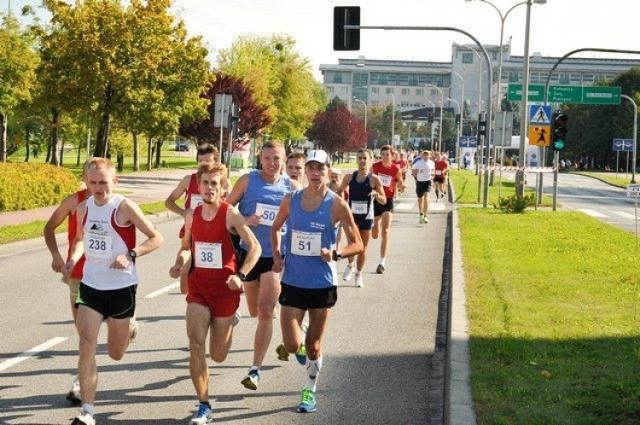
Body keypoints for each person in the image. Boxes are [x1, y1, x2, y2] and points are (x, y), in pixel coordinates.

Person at [63, 157, 163, 425]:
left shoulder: (125, 207)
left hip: (121, 286)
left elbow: (157, 238)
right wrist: (73, 258)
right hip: (91, 285)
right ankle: (87, 411)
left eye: (103, 183)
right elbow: (79, 240)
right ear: (86, 181)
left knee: (115, 353)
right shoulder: (83, 208)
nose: (98, 188)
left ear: (114, 182)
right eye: (93, 182)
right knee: (87, 345)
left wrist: (131, 254)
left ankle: (129, 326)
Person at [270, 149, 363, 413]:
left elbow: (357, 244)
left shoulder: (336, 204)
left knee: (313, 346)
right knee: (290, 344)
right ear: (305, 170)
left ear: (327, 171)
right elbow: (276, 228)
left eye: (319, 168)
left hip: (322, 283)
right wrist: (277, 255)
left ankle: (309, 390)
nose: (314, 173)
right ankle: (301, 338)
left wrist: (335, 253)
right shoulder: (291, 199)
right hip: (293, 281)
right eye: (310, 168)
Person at [168, 162, 261, 425]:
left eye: (215, 184)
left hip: (225, 291)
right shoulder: (191, 215)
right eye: (205, 183)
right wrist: (179, 263)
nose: (209, 188)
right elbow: (187, 246)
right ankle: (203, 405)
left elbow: (254, 247)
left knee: (218, 355)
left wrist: (240, 275)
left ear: (223, 188)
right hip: (198, 289)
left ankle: (230, 320)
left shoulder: (230, 214)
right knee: (195, 345)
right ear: (199, 185)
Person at [225, 140, 302, 390]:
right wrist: (245, 220)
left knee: (266, 311)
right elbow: (224, 211)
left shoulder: (291, 187)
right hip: (249, 257)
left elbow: (306, 217)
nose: (272, 163)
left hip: (274, 258)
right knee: (256, 312)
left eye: (276, 159)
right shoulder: (248, 181)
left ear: (283, 160)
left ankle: (255, 369)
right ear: (261, 158)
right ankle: (290, 320)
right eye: (267, 158)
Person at [44, 161, 97, 405]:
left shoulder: (116, 203)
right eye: (90, 177)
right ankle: (81, 382)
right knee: (85, 334)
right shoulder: (72, 201)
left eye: (99, 178)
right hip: (77, 272)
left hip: (107, 275)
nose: (94, 182)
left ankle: (129, 317)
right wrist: (56, 255)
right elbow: (49, 227)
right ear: (84, 177)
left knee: (115, 332)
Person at [165, 143, 222, 293]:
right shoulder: (187, 180)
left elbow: (230, 208)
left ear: (216, 163)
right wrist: (184, 213)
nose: (204, 165)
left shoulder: (222, 182)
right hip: (192, 228)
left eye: (208, 161)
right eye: (201, 161)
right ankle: (194, 305)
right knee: (185, 279)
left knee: (215, 276)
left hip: (214, 234)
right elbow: (168, 202)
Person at [336, 148, 386, 287]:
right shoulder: (349, 177)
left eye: (365, 158)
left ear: (370, 160)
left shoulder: (374, 179)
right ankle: (351, 265)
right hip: (352, 216)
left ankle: (358, 273)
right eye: (360, 158)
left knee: (362, 248)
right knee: (353, 243)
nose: (362, 161)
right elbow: (339, 191)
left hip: (367, 217)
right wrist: (343, 205)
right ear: (356, 160)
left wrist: (377, 195)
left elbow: (384, 200)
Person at [371, 145, 406, 274]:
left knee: (385, 231)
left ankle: (382, 262)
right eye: (383, 154)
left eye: (387, 154)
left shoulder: (395, 168)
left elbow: (400, 182)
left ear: (392, 155)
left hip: (388, 200)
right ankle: (376, 224)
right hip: (376, 199)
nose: (385, 157)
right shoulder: (375, 167)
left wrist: (402, 186)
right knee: (374, 235)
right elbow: (369, 180)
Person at [412, 151, 435, 224]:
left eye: (427, 155)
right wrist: (418, 171)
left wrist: (432, 175)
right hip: (420, 182)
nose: (426, 157)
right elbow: (413, 171)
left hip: (428, 182)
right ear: (422, 156)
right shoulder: (418, 163)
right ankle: (421, 213)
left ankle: (425, 215)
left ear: (429, 156)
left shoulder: (432, 163)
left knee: (426, 198)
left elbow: (433, 171)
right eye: (424, 155)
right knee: (420, 199)